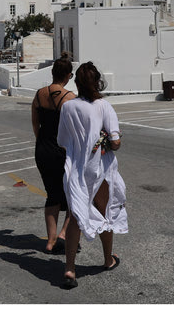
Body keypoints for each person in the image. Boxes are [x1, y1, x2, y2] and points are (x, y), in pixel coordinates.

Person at [56, 61, 127, 289]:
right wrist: (108, 140)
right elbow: (115, 142)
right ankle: (107, 259)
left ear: (76, 82)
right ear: (97, 82)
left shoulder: (68, 107)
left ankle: (69, 269)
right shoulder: (103, 106)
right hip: (100, 168)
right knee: (104, 211)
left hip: (76, 168)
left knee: (76, 215)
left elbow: (62, 141)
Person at [31, 52, 76, 253]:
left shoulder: (39, 94)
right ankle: (64, 234)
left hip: (42, 149)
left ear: (52, 73)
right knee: (73, 195)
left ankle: (50, 241)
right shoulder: (69, 98)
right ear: (68, 75)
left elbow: (35, 123)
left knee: (52, 195)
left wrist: (42, 140)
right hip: (62, 151)